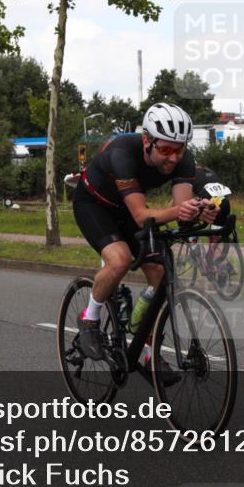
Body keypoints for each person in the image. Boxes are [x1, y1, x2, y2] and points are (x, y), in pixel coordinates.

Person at [72, 102, 218, 380]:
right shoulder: (122, 154)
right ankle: (89, 319)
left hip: (128, 210)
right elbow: (141, 216)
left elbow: (181, 211)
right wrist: (179, 211)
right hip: (95, 205)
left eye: (179, 149)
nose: (173, 158)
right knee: (120, 260)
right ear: (147, 141)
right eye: (165, 149)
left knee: (161, 271)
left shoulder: (183, 161)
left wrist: (201, 212)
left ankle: (151, 355)